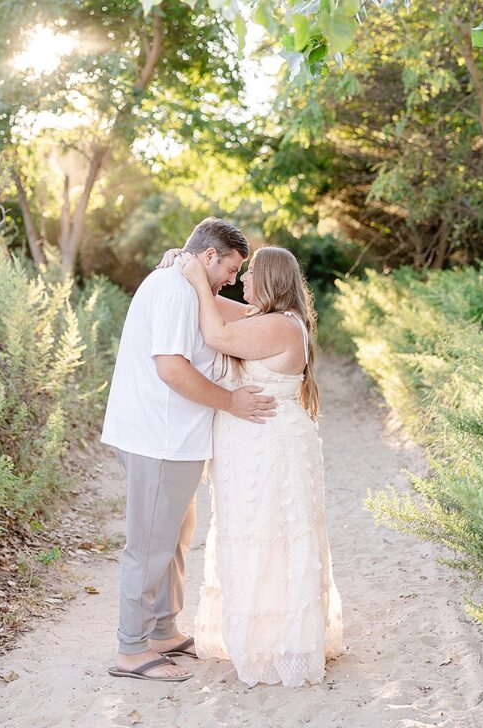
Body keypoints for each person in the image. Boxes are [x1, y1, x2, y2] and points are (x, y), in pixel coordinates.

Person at [100, 218, 277, 682]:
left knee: (175, 535)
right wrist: (231, 403)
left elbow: (242, 319)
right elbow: (171, 369)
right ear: (208, 257)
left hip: (173, 439)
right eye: (232, 268)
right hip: (158, 439)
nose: (235, 281)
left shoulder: (184, 286)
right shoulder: (175, 291)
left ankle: (162, 630)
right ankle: (132, 649)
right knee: (150, 544)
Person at [174, 245, 343, 687]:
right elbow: (217, 306)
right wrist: (188, 266)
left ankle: (279, 645)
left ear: (269, 281)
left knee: (271, 536)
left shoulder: (279, 328)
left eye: (249, 275)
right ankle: (265, 635)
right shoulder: (271, 321)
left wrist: (195, 277)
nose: (240, 281)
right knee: (259, 535)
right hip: (258, 447)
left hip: (270, 450)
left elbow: (217, 335)